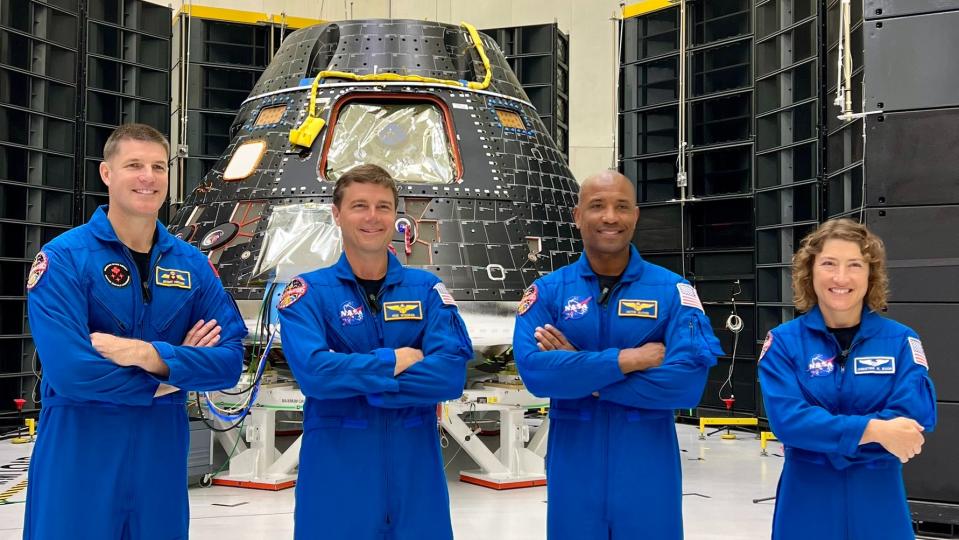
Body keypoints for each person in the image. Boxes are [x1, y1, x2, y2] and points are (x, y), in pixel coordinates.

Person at [24, 123, 247, 540]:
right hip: (79, 453)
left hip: (159, 460)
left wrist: (151, 356)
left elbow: (230, 361)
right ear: (107, 173)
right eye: (134, 165)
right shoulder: (64, 260)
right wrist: (174, 374)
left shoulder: (192, 266)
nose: (148, 177)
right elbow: (71, 371)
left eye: (158, 166)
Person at [512, 170, 724, 539]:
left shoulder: (674, 291)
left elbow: (686, 384)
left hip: (648, 473)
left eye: (621, 206)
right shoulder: (547, 292)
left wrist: (586, 379)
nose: (610, 217)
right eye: (597, 206)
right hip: (573, 472)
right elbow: (535, 373)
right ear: (577, 216)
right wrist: (627, 360)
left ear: (635, 216)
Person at [276, 164, 472, 540]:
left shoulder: (427, 289)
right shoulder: (308, 293)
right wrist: (394, 360)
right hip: (336, 479)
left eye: (383, 206)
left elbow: (449, 376)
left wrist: (353, 380)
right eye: (359, 205)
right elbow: (314, 375)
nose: (372, 217)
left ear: (396, 216)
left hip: (417, 481)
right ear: (336, 214)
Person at [758, 218, 936, 539]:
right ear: (810, 272)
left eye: (854, 265)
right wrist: (875, 431)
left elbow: (915, 416)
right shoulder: (783, 343)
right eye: (829, 264)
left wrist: (828, 437)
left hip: (878, 495)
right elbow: (788, 421)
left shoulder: (901, 341)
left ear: (871, 275)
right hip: (807, 497)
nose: (841, 277)